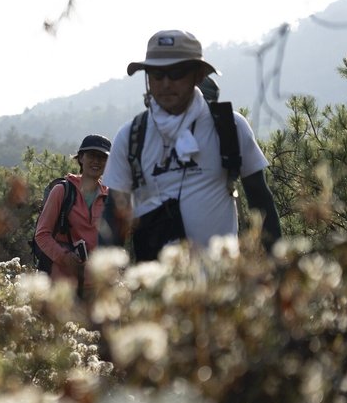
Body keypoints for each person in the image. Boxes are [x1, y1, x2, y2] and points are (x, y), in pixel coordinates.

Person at [101, 30, 281, 260]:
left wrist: (277, 266)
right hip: (156, 288)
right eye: (156, 74)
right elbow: (115, 214)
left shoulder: (229, 127)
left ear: (198, 75)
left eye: (176, 73)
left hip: (220, 283)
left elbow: (259, 198)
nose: (165, 83)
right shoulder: (130, 137)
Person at [34, 134, 110, 297]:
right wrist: (65, 257)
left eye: (102, 157)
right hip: (62, 286)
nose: (96, 161)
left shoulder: (109, 197)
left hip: (95, 286)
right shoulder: (62, 191)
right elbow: (42, 235)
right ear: (81, 158)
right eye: (91, 155)